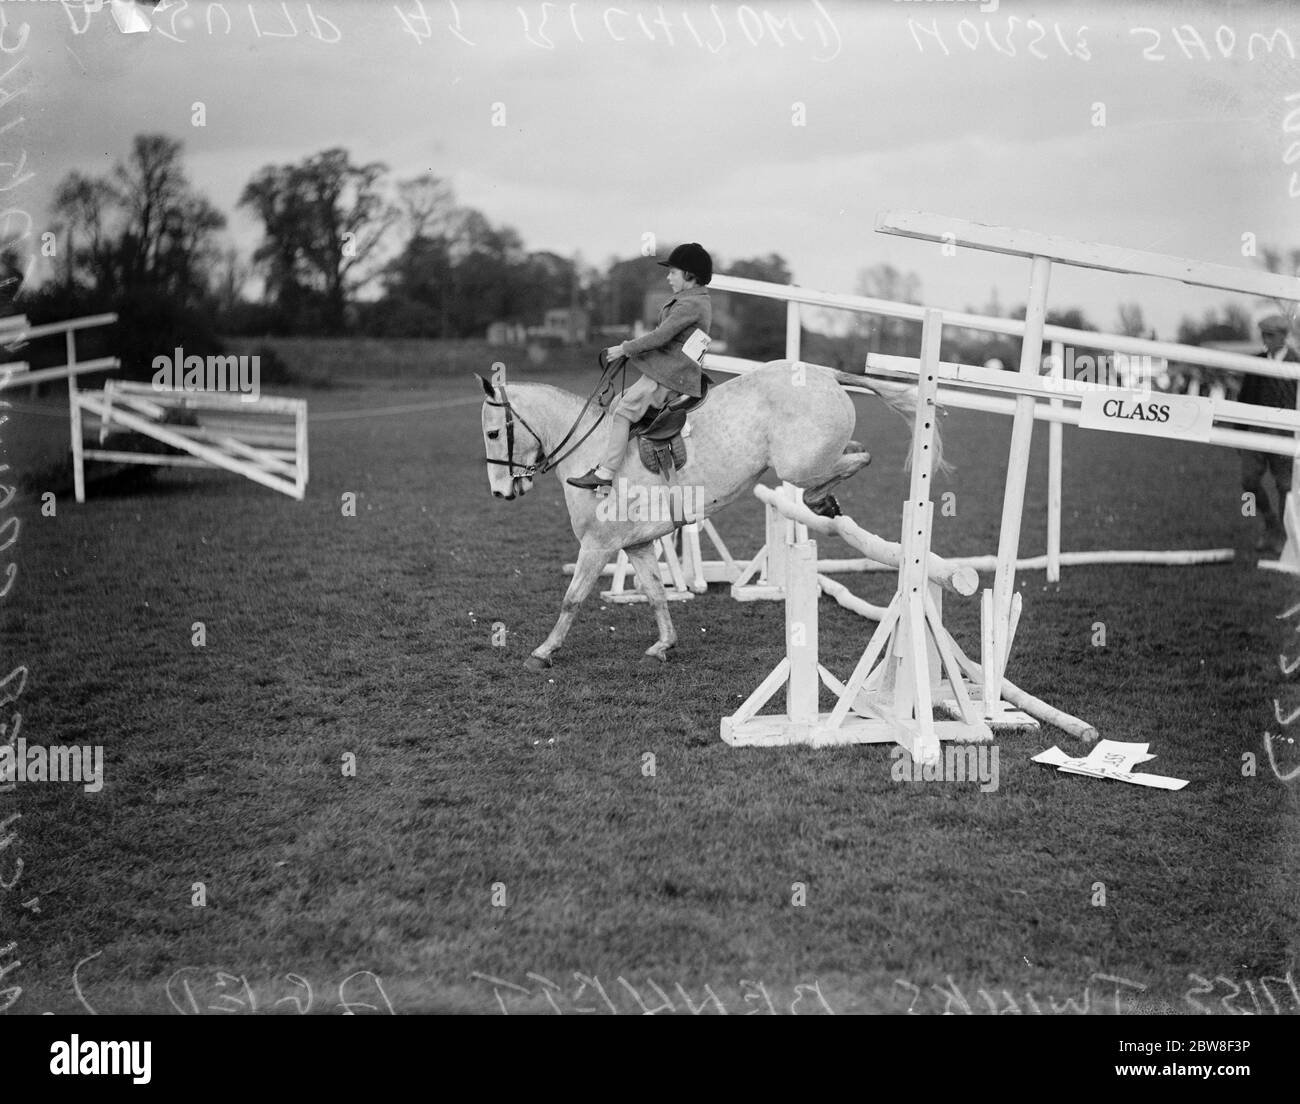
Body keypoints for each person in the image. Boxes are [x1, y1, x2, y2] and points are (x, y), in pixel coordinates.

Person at [567, 243, 713, 490]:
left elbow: (660, 336)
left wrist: (624, 349)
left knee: (624, 410)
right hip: (665, 371)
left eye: (673, 273)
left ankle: (604, 474)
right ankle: (623, 466)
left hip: (669, 376)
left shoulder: (690, 305)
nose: (668, 278)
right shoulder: (690, 300)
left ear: (689, 275)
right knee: (616, 405)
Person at [1238, 312, 1298, 556]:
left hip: (1285, 434)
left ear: (1284, 336)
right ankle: (1267, 521)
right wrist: (1240, 432)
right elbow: (1245, 397)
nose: (1265, 339)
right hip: (1256, 431)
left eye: (1270, 335)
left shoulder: (1296, 362)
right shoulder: (1256, 362)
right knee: (1248, 482)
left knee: (1285, 487)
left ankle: (1283, 534)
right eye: (1263, 334)